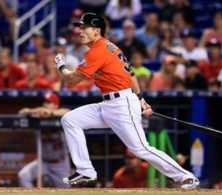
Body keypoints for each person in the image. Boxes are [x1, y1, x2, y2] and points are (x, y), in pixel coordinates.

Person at [54, 12, 199, 189]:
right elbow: (131, 74)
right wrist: (141, 99)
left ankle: (186, 176)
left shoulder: (98, 50)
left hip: (121, 104)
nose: (80, 31)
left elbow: (71, 80)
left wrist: (60, 64)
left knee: (141, 149)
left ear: (97, 31)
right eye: (80, 27)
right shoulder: (110, 47)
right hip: (110, 103)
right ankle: (85, 170)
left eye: (85, 27)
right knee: (70, 119)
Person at [17, 93, 71, 188]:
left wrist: (51, 113)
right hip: (43, 162)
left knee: (66, 190)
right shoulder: (37, 117)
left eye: (49, 102)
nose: (45, 105)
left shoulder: (62, 117)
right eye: (45, 102)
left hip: (60, 164)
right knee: (23, 176)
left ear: (56, 105)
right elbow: (21, 112)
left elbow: (69, 112)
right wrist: (35, 110)